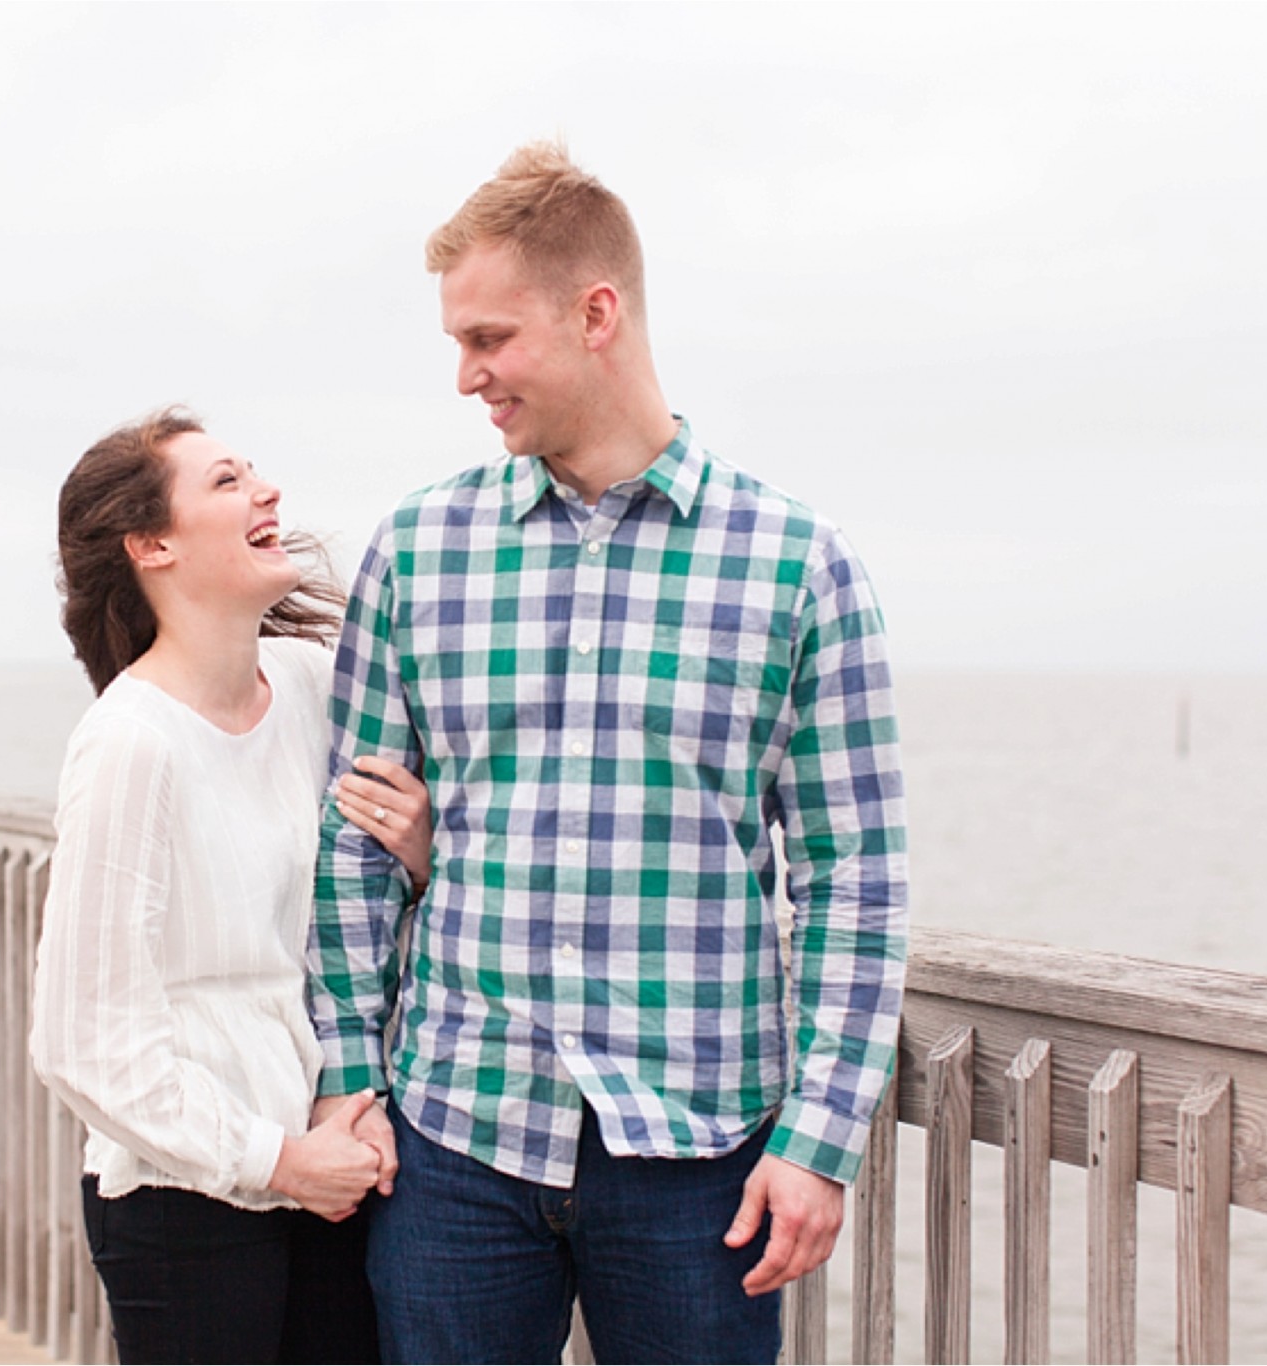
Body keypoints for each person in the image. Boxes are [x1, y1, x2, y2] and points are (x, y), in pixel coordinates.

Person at [307, 142, 910, 1364]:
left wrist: (818, 1139)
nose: (467, 377)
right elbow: (355, 842)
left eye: (488, 339)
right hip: (454, 1143)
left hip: (702, 1164)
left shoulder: (797, 562)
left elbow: (854, 874)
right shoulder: (417, 551)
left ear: (596, 314)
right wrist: (346, 1074)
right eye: (456, 345)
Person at [30, 407, 427, 1365]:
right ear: (153, 545)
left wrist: (419, 854)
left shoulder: (313, 684)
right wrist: (278, 1162)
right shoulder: (133, 746)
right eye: (225, 481)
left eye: (253, 472)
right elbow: (82, 1041)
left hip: (336, 1155)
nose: (267, 491)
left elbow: (359, 909)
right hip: (191, 1198)